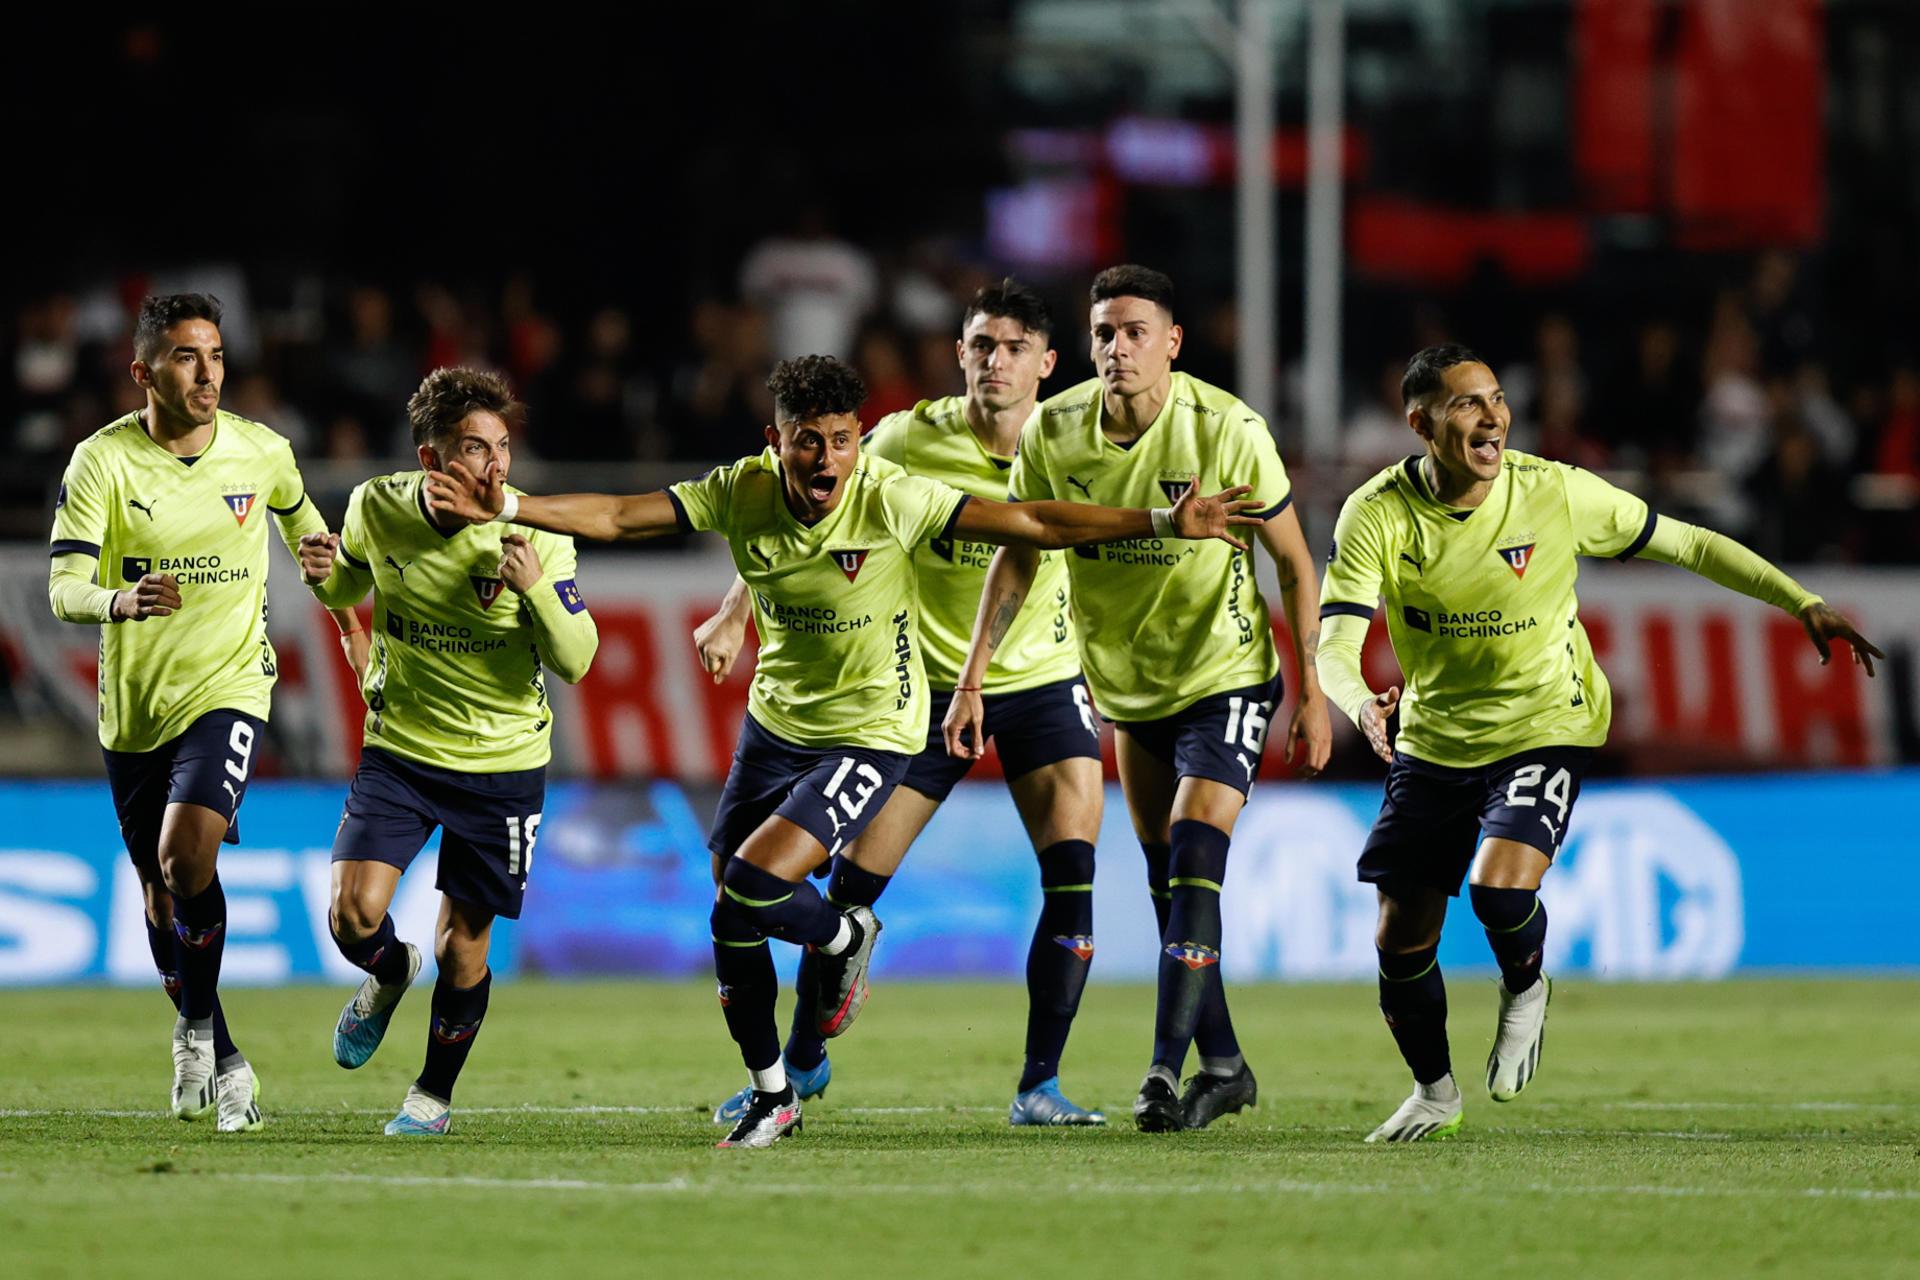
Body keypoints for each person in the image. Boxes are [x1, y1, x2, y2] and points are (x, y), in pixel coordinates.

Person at [425, 354, 1264, 1148]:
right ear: (776, 442)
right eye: (807, 440)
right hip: (776, 725)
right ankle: (774, 1091)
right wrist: (505, 507)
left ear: (859, 440)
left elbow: (1035, 520)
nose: (827, 458)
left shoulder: (890, 495)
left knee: (755, 887)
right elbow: (614, 514)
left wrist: (1160, 519)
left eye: (842, 438)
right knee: (731, 910)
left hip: (874, 727)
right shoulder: (740, 492)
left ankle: (841, 944)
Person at [1314, 344, 1882, 1143]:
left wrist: (1800, 600)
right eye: (1466, 404)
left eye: (1497, 398)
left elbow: (1687, 542)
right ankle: (1435, 1091)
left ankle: (1527, 983)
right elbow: (1335, 643)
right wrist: (1360, 708)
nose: (1492, 416)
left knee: (1500, 892)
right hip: (1437, 740)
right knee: (1398, 940)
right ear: (1420, 423)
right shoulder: (1376, 513)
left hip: (1549, 722)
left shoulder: (1552, 492)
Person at [697, 280, 1110, 1127]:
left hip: (1040, 681)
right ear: (959, 353)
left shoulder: (1079, 438)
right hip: (920, 688)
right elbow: (807, 509)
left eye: (1014, 347)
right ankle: (803, 1062)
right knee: (848, 894)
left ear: (1048, 363)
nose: (996, 361)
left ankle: (1039, 1085)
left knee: (1072, 875)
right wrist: (738, 610)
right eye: (981, 346)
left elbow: (1082, 531)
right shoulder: (905, 437)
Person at [946, 265, 1332, 1133]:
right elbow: (1021, 548)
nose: (1116, 349)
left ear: (1172, 343)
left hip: (1226, 674)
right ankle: (1225, 1066)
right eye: (1102, 334)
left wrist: (1312, 695)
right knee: (1168, 882)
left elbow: (1296, 563)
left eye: (1133, 332)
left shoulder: (1226, 429)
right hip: (1128, 689)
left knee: (1197, 850)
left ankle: (1161, 1072)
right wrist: (974, 673)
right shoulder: (1057, 430)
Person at [46, 293, 367, 1131]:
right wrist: (122, 600)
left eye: (217, 355)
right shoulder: (101, 463)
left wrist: (344, 614)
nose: (209, 372)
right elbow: (62, 588)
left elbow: (317, 552)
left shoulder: (262, 453)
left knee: (187, 855)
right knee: (161, 897)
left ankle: (192, 1029)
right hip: (134, 712)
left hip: (230, 688)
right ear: (144, 370)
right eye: (188, 356)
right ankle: (221, 1052)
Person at [300, 367, 598, 1136]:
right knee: (349, 916)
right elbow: (352, 589)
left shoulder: (533, 531)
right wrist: (329, 581)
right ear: (431, 459)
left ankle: (430, 1097)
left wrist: (534, 589)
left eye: (502, 447)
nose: (497, 467)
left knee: (465, 946)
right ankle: (391, 972)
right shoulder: (376, 505)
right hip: (401, 747)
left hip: (501, 765)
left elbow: (577, 659)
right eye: (475, 449)